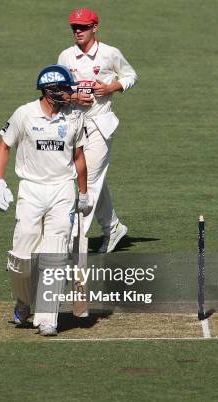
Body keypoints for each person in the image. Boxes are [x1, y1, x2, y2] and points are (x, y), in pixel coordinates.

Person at [0, 65, 92, 336]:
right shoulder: (24, 114)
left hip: (62, 190)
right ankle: (24, 300)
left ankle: (48, 318)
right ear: (50, 91)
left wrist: (83, 193)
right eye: (65, 89)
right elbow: (4, 146)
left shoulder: (74, 118)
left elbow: (79, 157)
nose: (70, 94)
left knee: (55, 256)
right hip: (31, 190)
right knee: (22, 256)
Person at [58, 7, 138, 253]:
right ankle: (112, 228)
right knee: (93, 178)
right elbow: (57, 89)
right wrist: (72, 96)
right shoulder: (66, 56)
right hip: (73, 125)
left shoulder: (109, 53)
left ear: (95, 28)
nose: (78, 31)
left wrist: (112, 87)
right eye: (74, 27)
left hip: (100, 125)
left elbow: (131, 75)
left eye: (83, 27)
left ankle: (71, 242)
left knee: (88, 181)